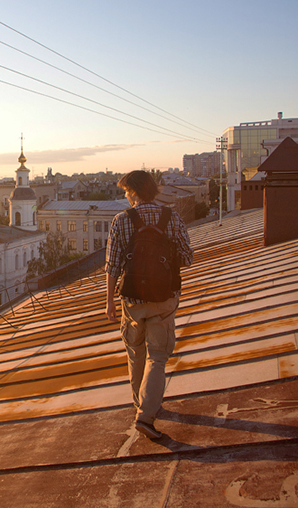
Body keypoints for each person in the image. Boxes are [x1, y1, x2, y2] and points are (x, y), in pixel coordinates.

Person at [105, 170, 193, 439]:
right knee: (158, 356)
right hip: (164, 298)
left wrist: (109, 301)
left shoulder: (121, 220)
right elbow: (187, 257)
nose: (124, 196)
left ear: (133, 191)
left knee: (135, 352)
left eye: (125, 191)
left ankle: (139, 405)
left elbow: (112, 266)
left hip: (132, 299)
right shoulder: (172, 217)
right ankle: (147, 412)